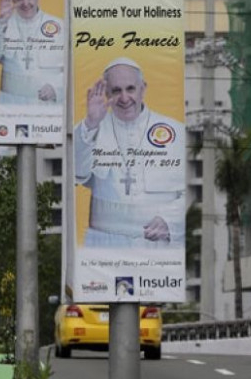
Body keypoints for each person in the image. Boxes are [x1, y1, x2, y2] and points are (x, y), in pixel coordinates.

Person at [74, 57, 186, 248]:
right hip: (105, 246)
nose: (124, 98)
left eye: (130, 89)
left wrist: (169, 220)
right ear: (107, 93)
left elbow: (192, 193)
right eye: (116, 91)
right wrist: (91, 123)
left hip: (159, 246)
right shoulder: (90, 128)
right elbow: (77, 173)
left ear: (143, 88)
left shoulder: (176, 131)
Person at [0, 0, 65, 105]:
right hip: (10, 103)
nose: (25, 3)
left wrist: (56, 88)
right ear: (13, 0)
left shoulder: (59, 25)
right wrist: (2, 21)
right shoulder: (1, 24)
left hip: (46, 104)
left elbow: (71, 68)